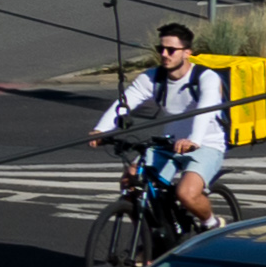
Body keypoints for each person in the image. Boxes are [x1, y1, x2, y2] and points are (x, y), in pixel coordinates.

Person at [93, 20, 230, 236]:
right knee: (131, 183)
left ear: (187, 53)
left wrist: (194, 140)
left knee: (186, 194)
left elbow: (206, 110)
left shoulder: (206, 77)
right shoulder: (153, 77)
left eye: (171, 50)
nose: (164, 54)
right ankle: (151, 239)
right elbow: (124, 103)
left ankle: (211, 223)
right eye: (161, 49)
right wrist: (102, 130)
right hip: (170, 143)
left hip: (206, 143)